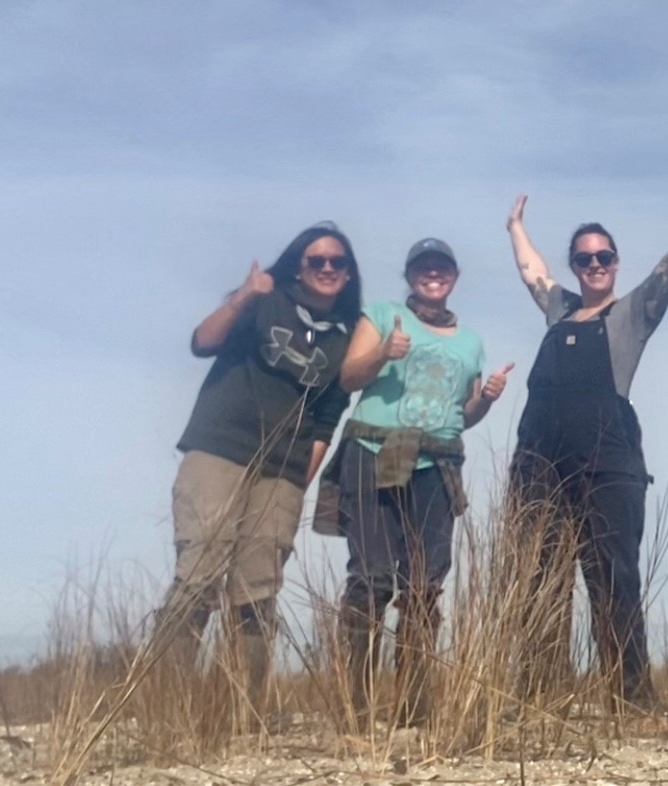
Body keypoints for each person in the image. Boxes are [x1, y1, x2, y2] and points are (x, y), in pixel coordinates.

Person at [505, 170, 668, 708]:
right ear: (576, 266)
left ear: (616, 263)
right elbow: (533, 271)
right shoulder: (558, 310)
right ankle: (540, 697)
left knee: (612, 579)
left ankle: (631, 696)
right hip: (540, 464)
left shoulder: (633, 312)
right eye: (585, 259)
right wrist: (514, 228)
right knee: (540, 580)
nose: (596, 265)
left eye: (604, 257)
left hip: (609, 465)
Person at [151, 221, 361, 723]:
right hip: (221, 449)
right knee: (198, 575)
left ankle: (242, 712)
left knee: (258, 591)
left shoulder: (347, 336)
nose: (327, 268)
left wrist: (297, 481)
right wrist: (244, 295)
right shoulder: (266, 302)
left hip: (283, 469)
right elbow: (202, 342)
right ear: (299, 266)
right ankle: (161, 703)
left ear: (349, 275)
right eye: (317, 261)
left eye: (337, 262)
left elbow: (327, 419)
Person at [315, 237, 511, 727]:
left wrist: (486, 398)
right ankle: (354, 704)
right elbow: (348, 378)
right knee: (373, 576)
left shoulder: (470, 342)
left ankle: (412, 704)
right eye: (423, 268)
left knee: (425, 584)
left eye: (441, 268)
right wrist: (384, 352)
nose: (433, 275)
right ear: (410, 275)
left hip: (438, 461)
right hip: (375, 450)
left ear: (454, 277)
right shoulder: (382, 315)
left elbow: (462, 416)